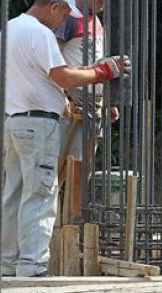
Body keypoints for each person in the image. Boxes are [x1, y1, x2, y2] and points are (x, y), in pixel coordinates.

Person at [0, 0, 130, 277]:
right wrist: (104, 71)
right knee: (40, 194)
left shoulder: (9, 29)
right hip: (39, 124)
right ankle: (33, 266)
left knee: (15, 194)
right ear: (54, 6)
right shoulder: (40, 33)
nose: (65, 19)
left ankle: (8, 263)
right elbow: (64, 77)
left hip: (14, 121)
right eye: (65, 12)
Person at [54, 0, 119, 224]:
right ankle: (55, 221)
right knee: (63, 166)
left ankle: (75, 220)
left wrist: (108, 101)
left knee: (85, 167)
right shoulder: (69, 18)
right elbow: (52, 60)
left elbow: (98, 62)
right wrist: (63, 97)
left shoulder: (96, 20)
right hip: (74, 104)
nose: (104, 3)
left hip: (94, 104)